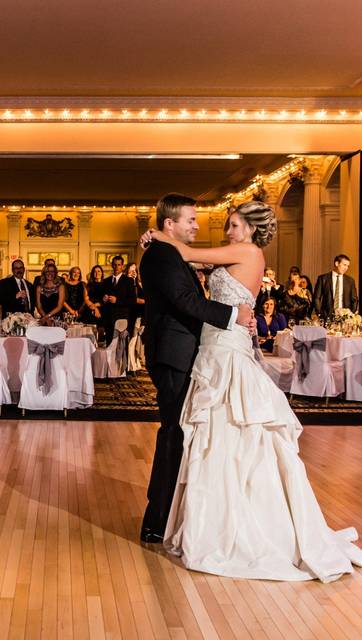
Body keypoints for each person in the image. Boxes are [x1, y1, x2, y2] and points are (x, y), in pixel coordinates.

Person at [141, 198, 362, 582]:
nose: (224, 230)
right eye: (221, 224)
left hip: (223, 348)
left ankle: (224, 520)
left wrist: (158, 235)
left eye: (232, 224)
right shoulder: (235, 253)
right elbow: (189, 267)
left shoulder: (245, 251)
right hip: (215, 345)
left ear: (249, 227)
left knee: (224, 431)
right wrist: (161, 237)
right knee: (213, 433)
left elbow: (188, 254)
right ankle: (205, 515)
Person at [136, 193, 254, 544]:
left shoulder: (167, 251)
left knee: (183, 433)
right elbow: (185, 301)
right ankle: (157, 520)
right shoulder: (160, 254)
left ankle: (172, 515)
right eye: (191, 220)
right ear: (169, 224)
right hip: (174, 354)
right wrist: (235, 316)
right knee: (174, 433)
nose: (197, 225)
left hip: (186, 351)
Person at [101, 255, 135, 343]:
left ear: (122, 266)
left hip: (122, 319)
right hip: (108, 320)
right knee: (109, 346)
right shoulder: (106, 281)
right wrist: (103, 300)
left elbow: (132, 301)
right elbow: (101, 301)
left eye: (119, 265)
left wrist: (117, 301)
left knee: (122, 349)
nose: (116, 267)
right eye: (115, 264)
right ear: (112, 265)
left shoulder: (128, 281)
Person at [312, 254, 358, 319]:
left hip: (345, 317)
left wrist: (350, 314)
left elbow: (354, 300)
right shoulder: (323, 279)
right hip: (326, 316)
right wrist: (320, 313)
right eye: (344, 265)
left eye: (348, 266)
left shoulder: (350, 281)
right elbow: (317, 297)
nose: (346, 268)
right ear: (336, 263)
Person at [127, 262, 145, 334]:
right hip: (133, 314)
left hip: (144, 314)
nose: (133, 273)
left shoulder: (140, 283)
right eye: (131, 271)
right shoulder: (130, 283)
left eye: (135, 271)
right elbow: (134, 299)